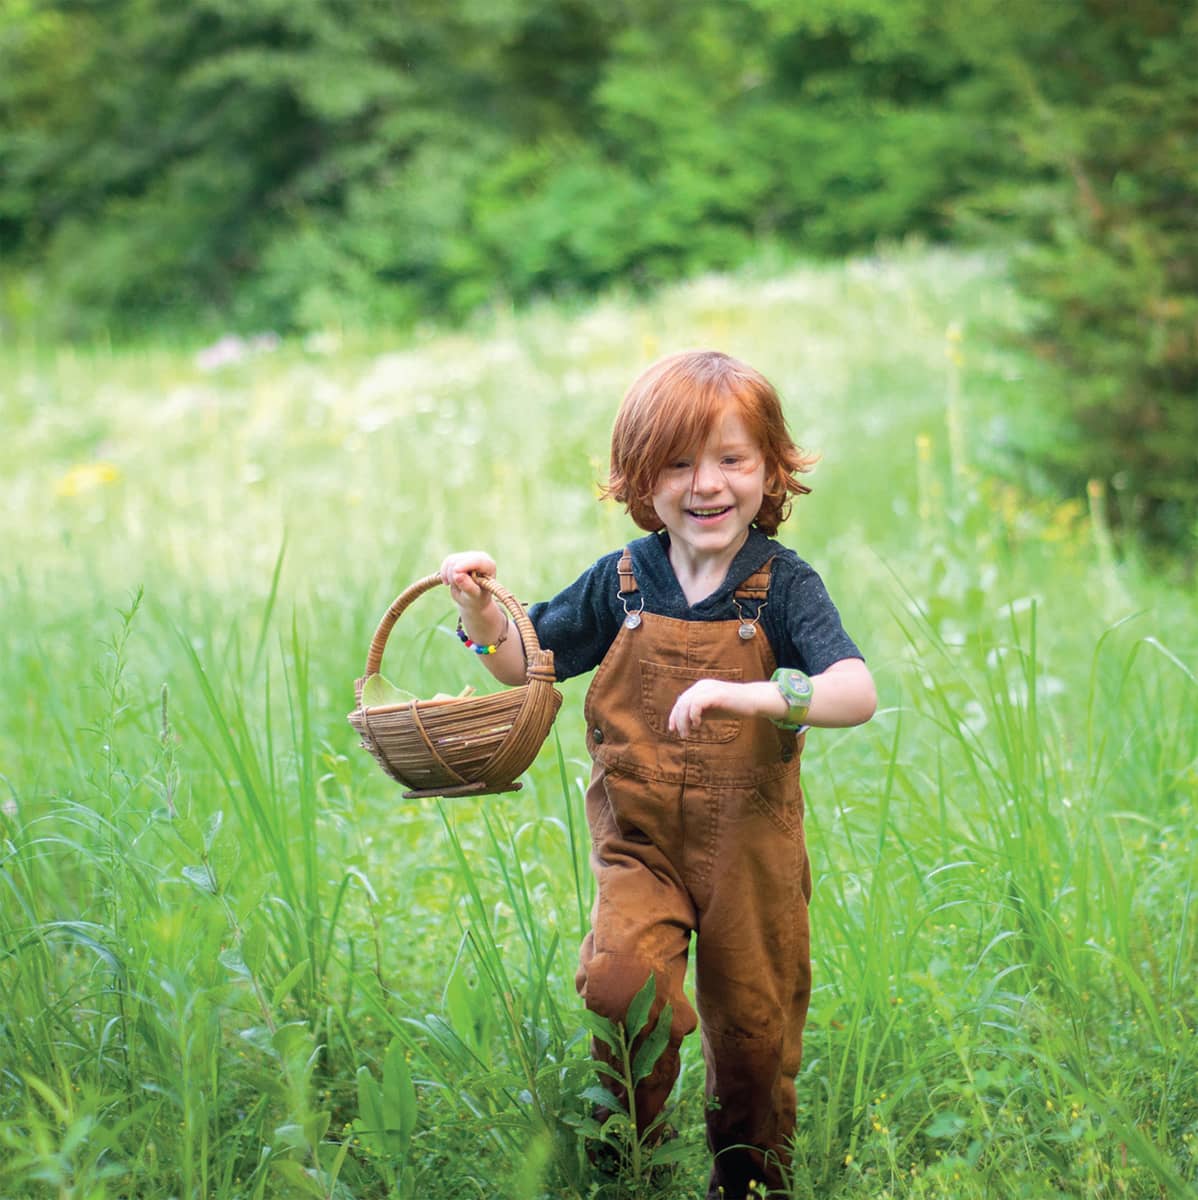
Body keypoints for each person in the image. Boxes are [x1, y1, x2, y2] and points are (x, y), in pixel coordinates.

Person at [439, 349, 876, 1199]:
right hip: (639, 839)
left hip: (749, 848)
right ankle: (632, 1155)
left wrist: (755, 698)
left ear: (770, 469)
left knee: (754, 1025)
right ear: (641, 478)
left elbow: (855, 692)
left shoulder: (782, 587)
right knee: (620, 986)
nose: (705, 484)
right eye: (677, 462)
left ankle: (746, 1178)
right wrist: (481, 611)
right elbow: (527, 663)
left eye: (731, 459)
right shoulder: (624, 578)